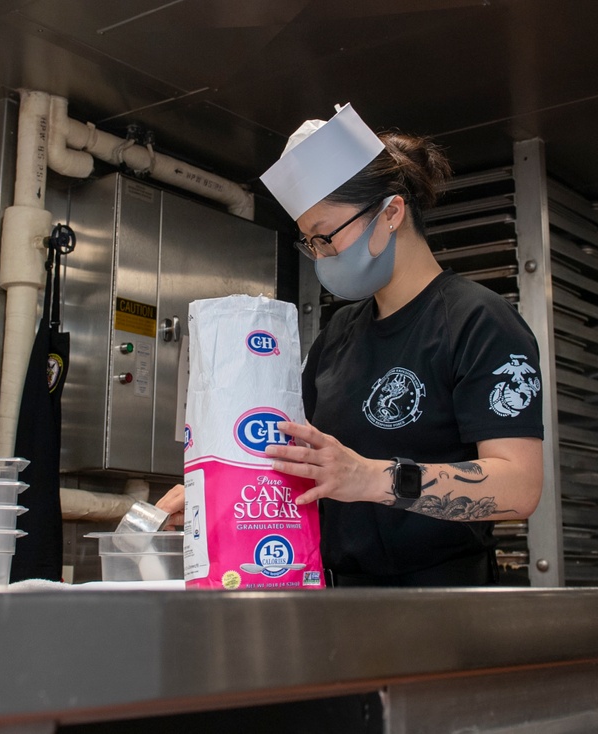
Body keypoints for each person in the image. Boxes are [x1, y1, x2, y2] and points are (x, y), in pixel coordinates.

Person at [157, 104, 544, 587]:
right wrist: (219, 493)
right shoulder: (340, 332)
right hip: (335, 595)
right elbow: (304, 464)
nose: (320, 257)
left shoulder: (478, 321)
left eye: (325, 237)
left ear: (391, 213)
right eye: (309, 243)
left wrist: (374, 478)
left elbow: (520, 485)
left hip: (443, 603)